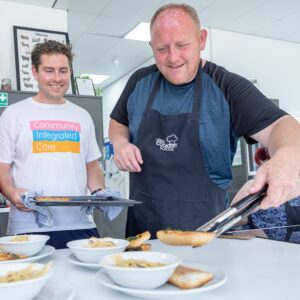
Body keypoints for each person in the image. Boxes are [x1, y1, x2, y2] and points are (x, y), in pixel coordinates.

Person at [108, 3, 300, 237]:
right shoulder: (139, 82)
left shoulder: (227, 87)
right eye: (162, 48)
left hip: (206, 238)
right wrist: (120, 144)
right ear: (151, 47)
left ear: (201, 39)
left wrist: (289, 156)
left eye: (182, 45)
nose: (173, 57)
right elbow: (118, 121)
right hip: (142, 236)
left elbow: (282, 126)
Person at [0, 40, 120, 249]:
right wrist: (12, 193)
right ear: (35, 72)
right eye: (49, 70)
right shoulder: (13, 114)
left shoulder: (82, 116)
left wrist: (99, 192)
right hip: (28, 228)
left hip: (80, 224)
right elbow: (2, 168)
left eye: (63, 71)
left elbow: (91, 166)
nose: (57, 78)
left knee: (84, 281)